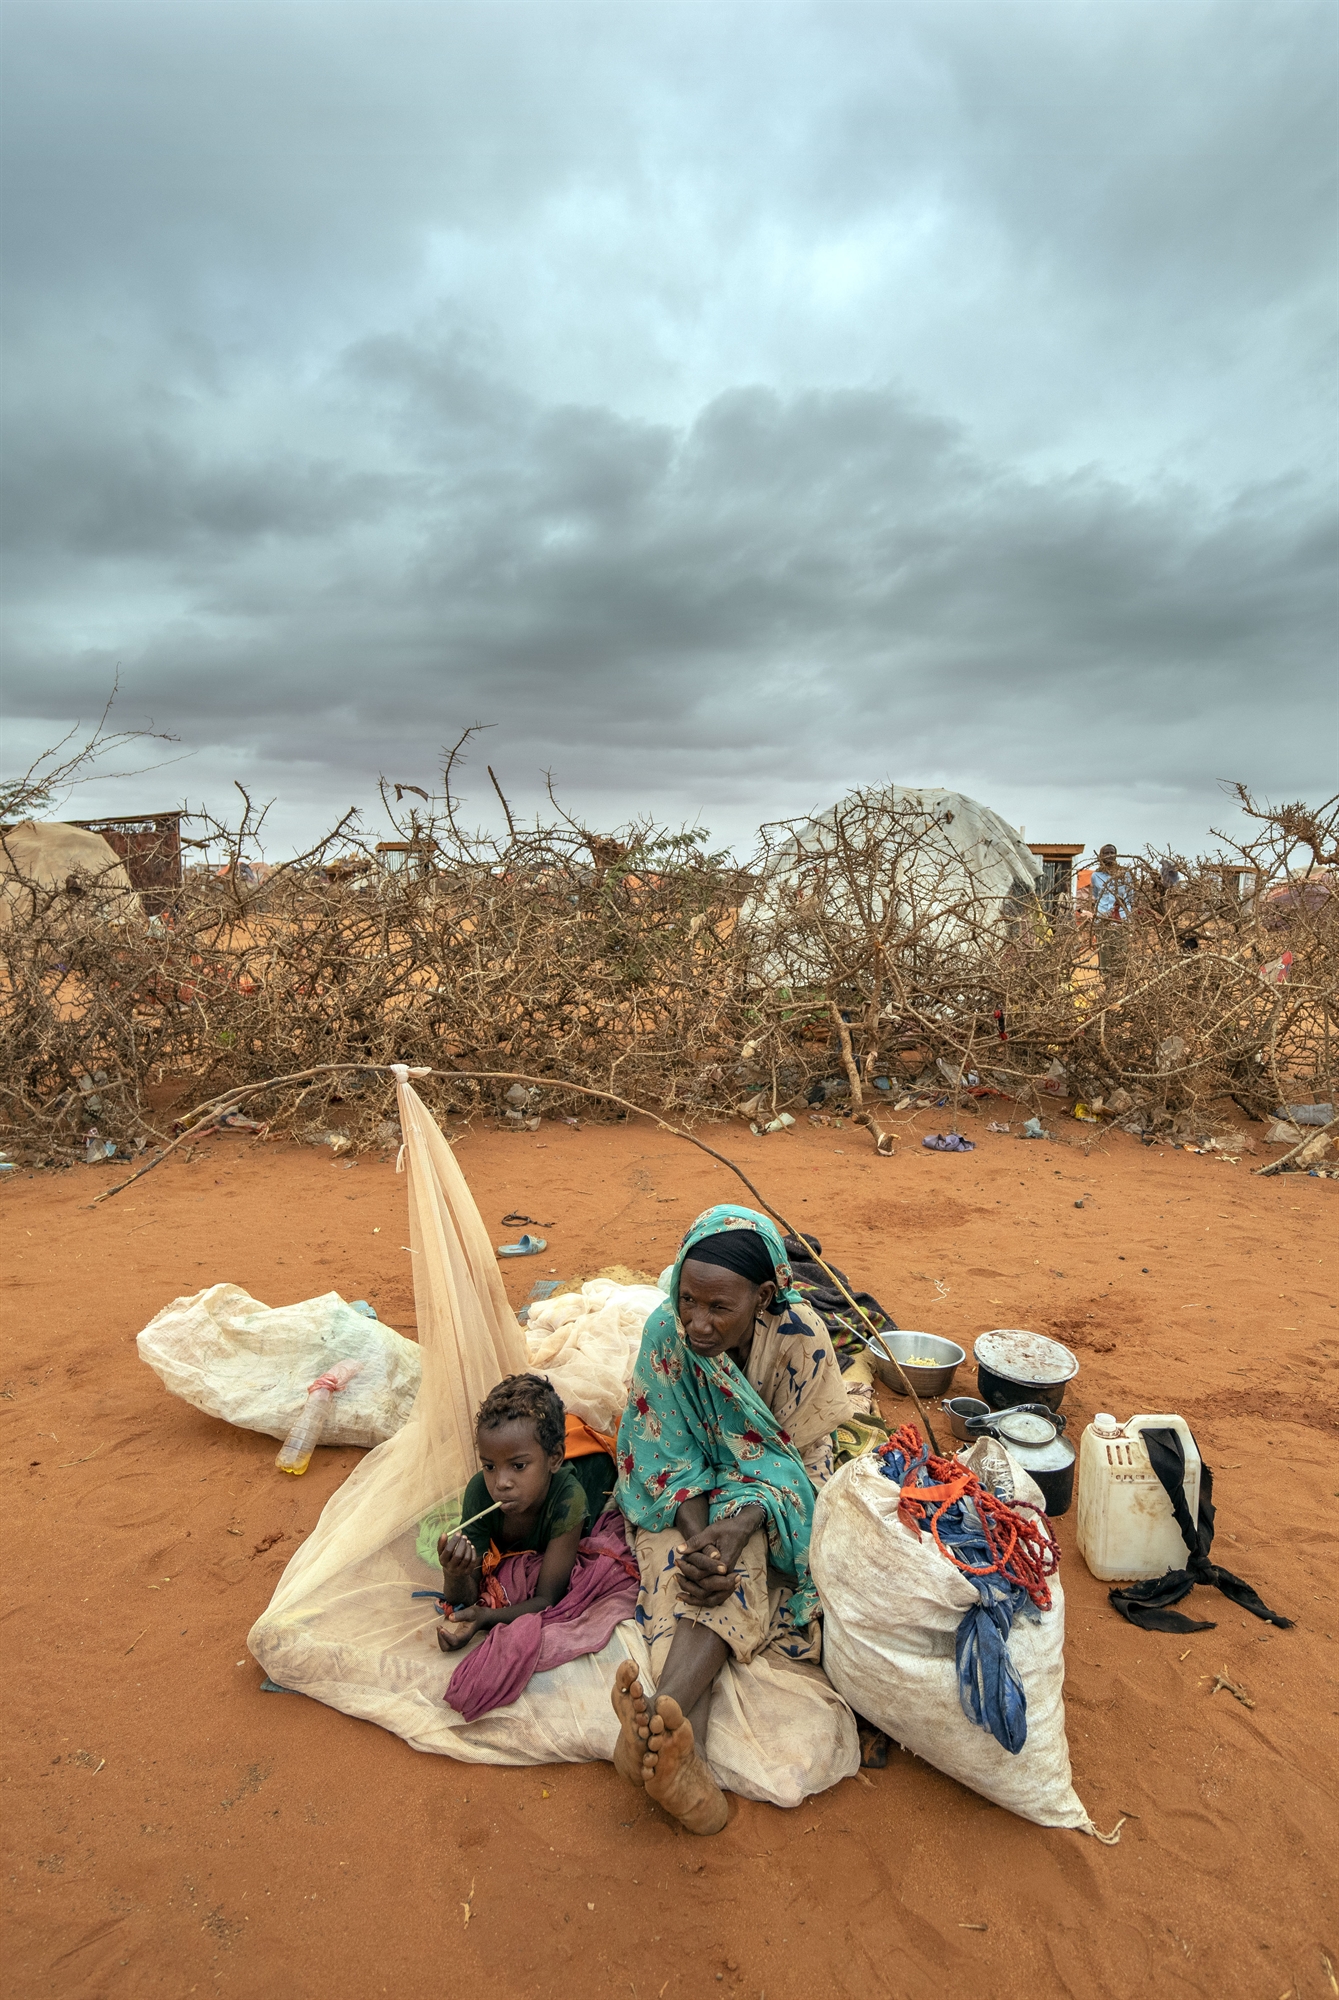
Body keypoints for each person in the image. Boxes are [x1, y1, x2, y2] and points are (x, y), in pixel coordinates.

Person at [610, 1205, 852, 1834]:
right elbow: (661, 1453)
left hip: (782, 1484)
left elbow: (797, 1461)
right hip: (684, 1493)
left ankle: (656, 1719)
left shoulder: (802, 1343)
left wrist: (738, 1527)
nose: (697, 1323)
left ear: (764, 1297)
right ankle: (674, 1745)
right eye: (688, 1300)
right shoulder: (667, 1333)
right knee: (692, 1574)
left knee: (737, 1562)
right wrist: (701, 1542)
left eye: (719, 1309)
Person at [431, 1373, 607, 1651]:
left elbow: (547, 1598)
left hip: (596, 1470)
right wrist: (454, 1572)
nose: (501, 1483)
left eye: (518, 1466)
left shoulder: (568, 1500)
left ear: (555, 1459)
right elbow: (463, 1595)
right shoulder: (479, 1492)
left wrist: (488, 1617)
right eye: (489, 1466)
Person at [1090, 843, 1132, 974]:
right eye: (1106, 853)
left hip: (1121, 918)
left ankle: (1121, 980)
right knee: (1104, 951)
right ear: (1101, 856)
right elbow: (1096, 896)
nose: (1109, 855)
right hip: (1103, 918)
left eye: (1112, 852)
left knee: (1121, 950)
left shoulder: (1125, 873)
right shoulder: (1096, 876)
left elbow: (1130, 896)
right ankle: (1106, 980)